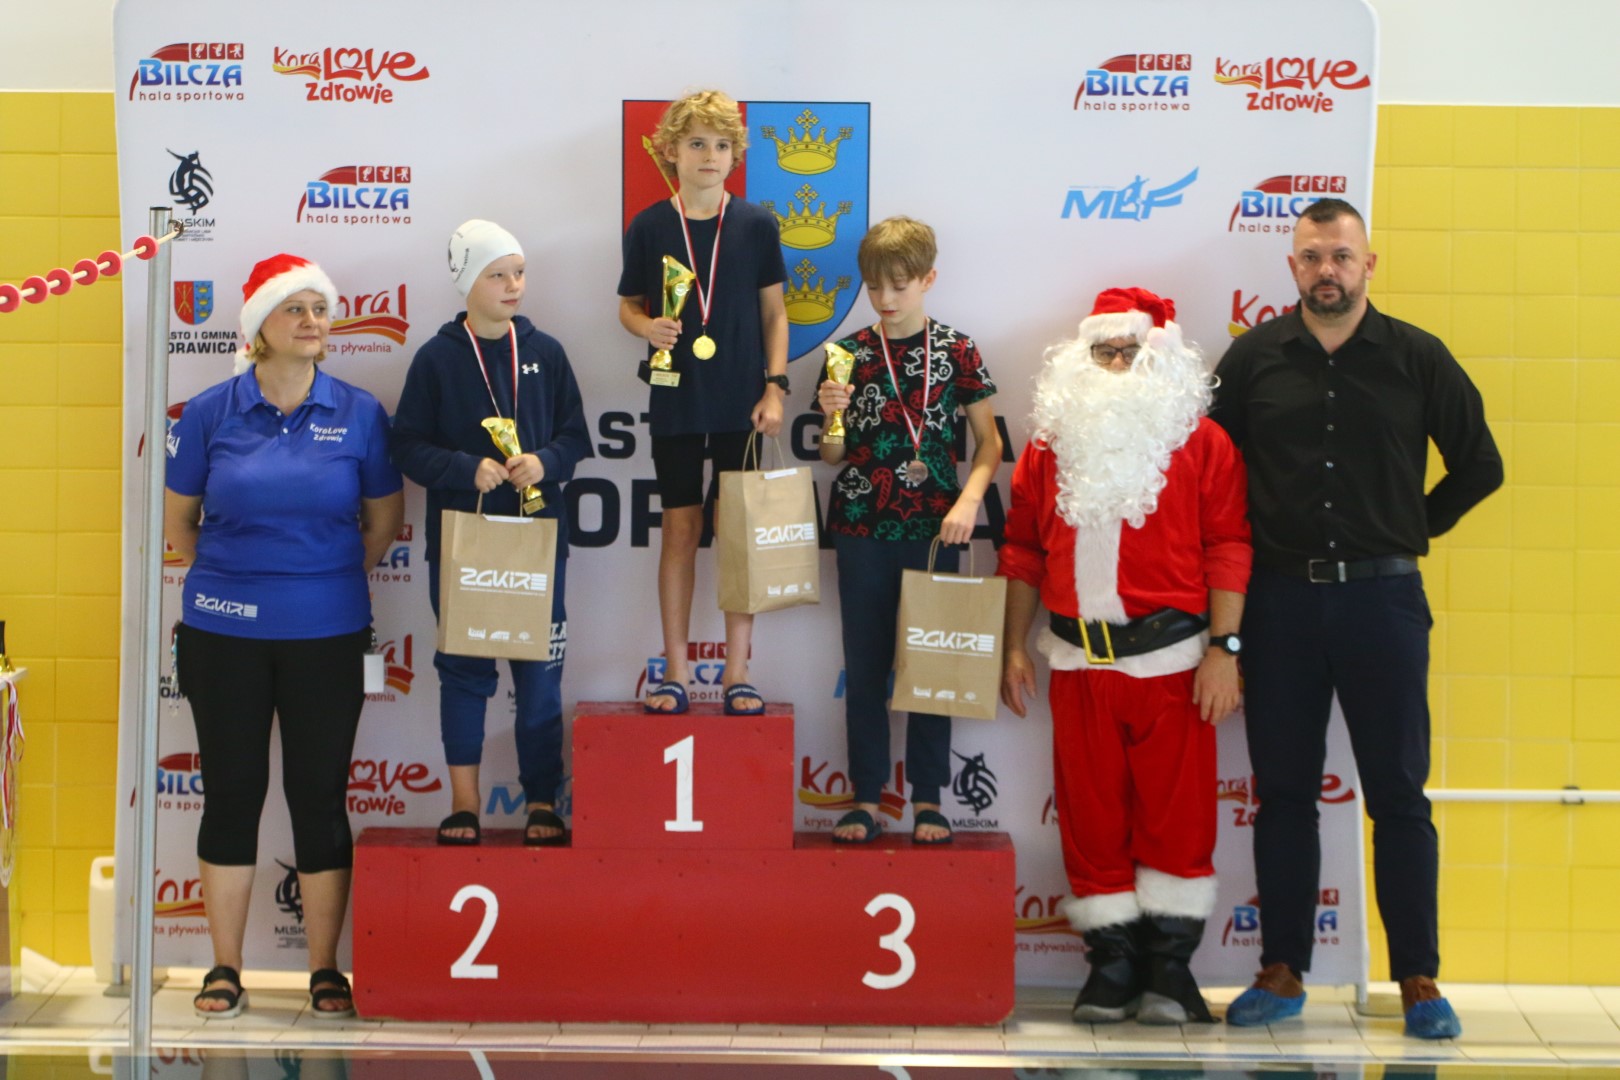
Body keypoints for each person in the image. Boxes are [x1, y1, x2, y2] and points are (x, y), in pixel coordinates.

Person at [1211, 199, 1502, 1039]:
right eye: (1311, 256)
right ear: (1292, 267)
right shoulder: (1254, 358)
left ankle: (1418, 979)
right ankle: (1282, 970)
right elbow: (1214, 480)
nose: (1326, 270)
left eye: (1341, 255)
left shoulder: (1418, 356)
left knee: (1399, 795)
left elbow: (1481, 465)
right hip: (1279, 604)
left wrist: (1410, 529)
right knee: (1283, 793)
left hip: (1384, 602)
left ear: (1368, 263)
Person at [999, 287, 1250, 1025]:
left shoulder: (1204, 443)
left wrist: (1224, 649)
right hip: (1077, 663)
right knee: (1090, 816)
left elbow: (1228, 546)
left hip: (1173, 661)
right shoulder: (1048, 447)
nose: (1113, 365)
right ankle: (1110, 966)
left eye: (1128, 352)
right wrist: (1013, 644)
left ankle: (1170, 970)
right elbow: (1022, 551)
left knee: (1179, 817)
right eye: (1102, 351)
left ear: (1159, 359)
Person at [164, 254, 405, 1020]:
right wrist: (242, 585)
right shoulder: (209, 412)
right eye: (294, 308)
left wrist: (316, 583)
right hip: (222, 633)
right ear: (259, 327)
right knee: (232, 793)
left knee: (319, 795)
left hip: (329, 634)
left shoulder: (359, 412)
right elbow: (179, 525)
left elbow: (383, 524)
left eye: (320, 308)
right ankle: (224, 969)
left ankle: (325, 969)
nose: (311, 321)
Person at [391, 220, 589, 847]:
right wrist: (462, 468)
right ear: (467, 282)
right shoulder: (437, 358)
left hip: (537, 540)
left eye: (519, 273)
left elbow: (576, 436)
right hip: (465, 542)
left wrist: (546, 462)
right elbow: (406, 445)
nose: (513, 285)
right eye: (497, 274)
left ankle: (541, 800)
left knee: (540, 674)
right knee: (464, 670)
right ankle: (465, 804)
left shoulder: (546, 352)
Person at [814, 216, 1001, 845]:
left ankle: (928, 798)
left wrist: (969, 502)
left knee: (933, 666)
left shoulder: (957, 349)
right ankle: (866, 796)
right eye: (874, 287)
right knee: (865, 666)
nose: (886, 299)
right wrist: (832, 418)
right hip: (862, 525)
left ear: (928, 279)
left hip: (936, 529)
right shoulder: (847, 353)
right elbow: (833, 457)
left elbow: (990, 444)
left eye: (899, 285)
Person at [617, 89, 790, 716]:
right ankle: (676, 672)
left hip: (744, 403)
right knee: (681, 529)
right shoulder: (649, 225)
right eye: (696, 144)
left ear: (735, 155)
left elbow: (776, 315)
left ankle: (738, 672)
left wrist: (775, 387)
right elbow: (627, 305)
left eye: (720, 145)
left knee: (739, 536)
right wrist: (647, 327)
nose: (709, 156)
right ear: (671, 151)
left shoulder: (756, 224)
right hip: (677, 400)